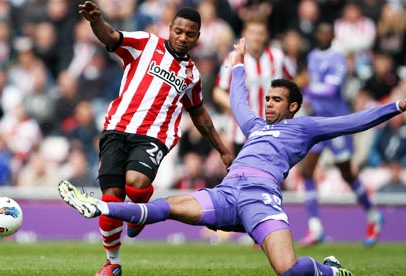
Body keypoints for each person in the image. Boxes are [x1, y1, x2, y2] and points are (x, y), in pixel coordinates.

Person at [59, 37, 406, 276]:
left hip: (260, 199)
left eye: (276, 100)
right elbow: (239, 100)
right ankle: (99, 206)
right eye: (267, 98)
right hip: (225, 194)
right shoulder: (254, 125)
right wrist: (238, 67)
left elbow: (352, 121)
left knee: (291, 270)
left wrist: (396, 106)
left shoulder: (305, 128)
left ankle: (327, 268)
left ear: (293, 107)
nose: (267, 103)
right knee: (166, 208)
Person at [71, 2, 234, 276]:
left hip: (154, 135)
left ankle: (140, 208)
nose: (183, 37)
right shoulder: (145, 43)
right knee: (111, 200)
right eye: (179, 31)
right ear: (170, 29)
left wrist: (222, 149)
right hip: (116, 128)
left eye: (190, 34)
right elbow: (112, 38)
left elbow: (199, 113)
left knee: (135, 184)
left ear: (198, 37)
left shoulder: (192, 74)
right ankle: (113, 263)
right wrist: (95, 21)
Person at [298, 22, 384, 248]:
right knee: (307, 171)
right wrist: (306, 99)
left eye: (328, 32)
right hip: (317, 122)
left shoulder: (338, 59)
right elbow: (314, 91)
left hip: (337, 123)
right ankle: (315, 227)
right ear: (317, 35)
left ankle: (373, 214)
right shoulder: (313, 56)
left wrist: (303, 88)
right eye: (321, 32)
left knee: (346, 173)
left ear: (333, 34)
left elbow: (330, 90)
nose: (324, 35)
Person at [213, 17, 295, 155]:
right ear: (245, 33)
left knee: (273, 172)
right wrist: (238, 108)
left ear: (266, 35)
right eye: (253, 32)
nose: (256, 37)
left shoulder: (277, 57)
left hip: (274, 129)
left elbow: (293, 83)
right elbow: (218, 92)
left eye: (260, 33)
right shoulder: (233, 58)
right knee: (244, 173)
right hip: (241, 132)